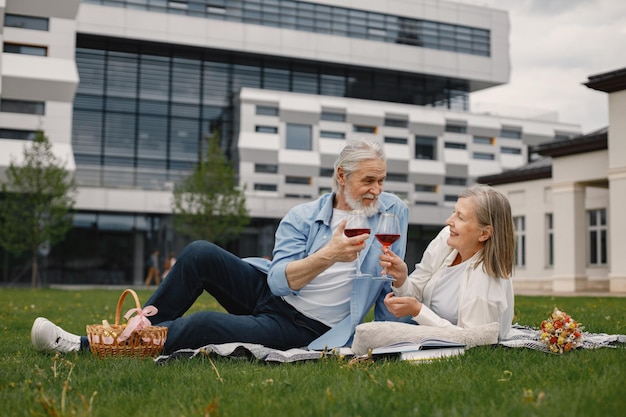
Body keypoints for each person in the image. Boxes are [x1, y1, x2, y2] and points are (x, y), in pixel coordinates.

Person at [31, 139, 409, 355]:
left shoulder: (393, 213)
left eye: (382, 180)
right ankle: (139, 326)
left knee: (204, 324)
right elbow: (278, 282)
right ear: (342, 177)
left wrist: (399, 288)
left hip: (303, 327)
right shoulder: (302, 216)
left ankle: (85, 346)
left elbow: (387, 289)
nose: (377, 190)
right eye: (369, 180)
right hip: (272, 294)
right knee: (198, 253)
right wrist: (328, 255)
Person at [380, 184, 515, 341]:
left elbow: (475, 340)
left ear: (484, 233)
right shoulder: (447, 239)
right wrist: (401, 279)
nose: (448, 221)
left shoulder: (486, 281)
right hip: (426, 332)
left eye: (460, 217)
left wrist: (418, 311)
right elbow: (413, 293)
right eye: (453, 212)